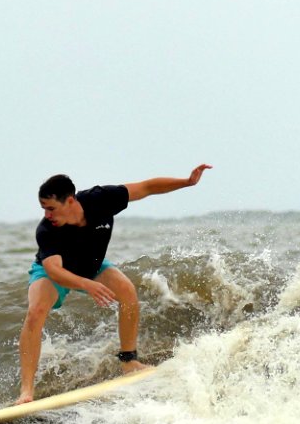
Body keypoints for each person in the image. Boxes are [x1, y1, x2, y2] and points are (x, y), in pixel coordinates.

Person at [16, 164, 212, 404]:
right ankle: (27, 391)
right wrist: (87, 285)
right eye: (43, 209)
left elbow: (147, 187)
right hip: (54, 272)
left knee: (127, 291)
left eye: (50, 208)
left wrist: (186, 182)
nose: (47, 215)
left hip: (92, 266)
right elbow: (54, 271)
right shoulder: (47, 230)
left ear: (70, 201)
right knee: (35, 312)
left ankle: (129, 362)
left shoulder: (102, 199)